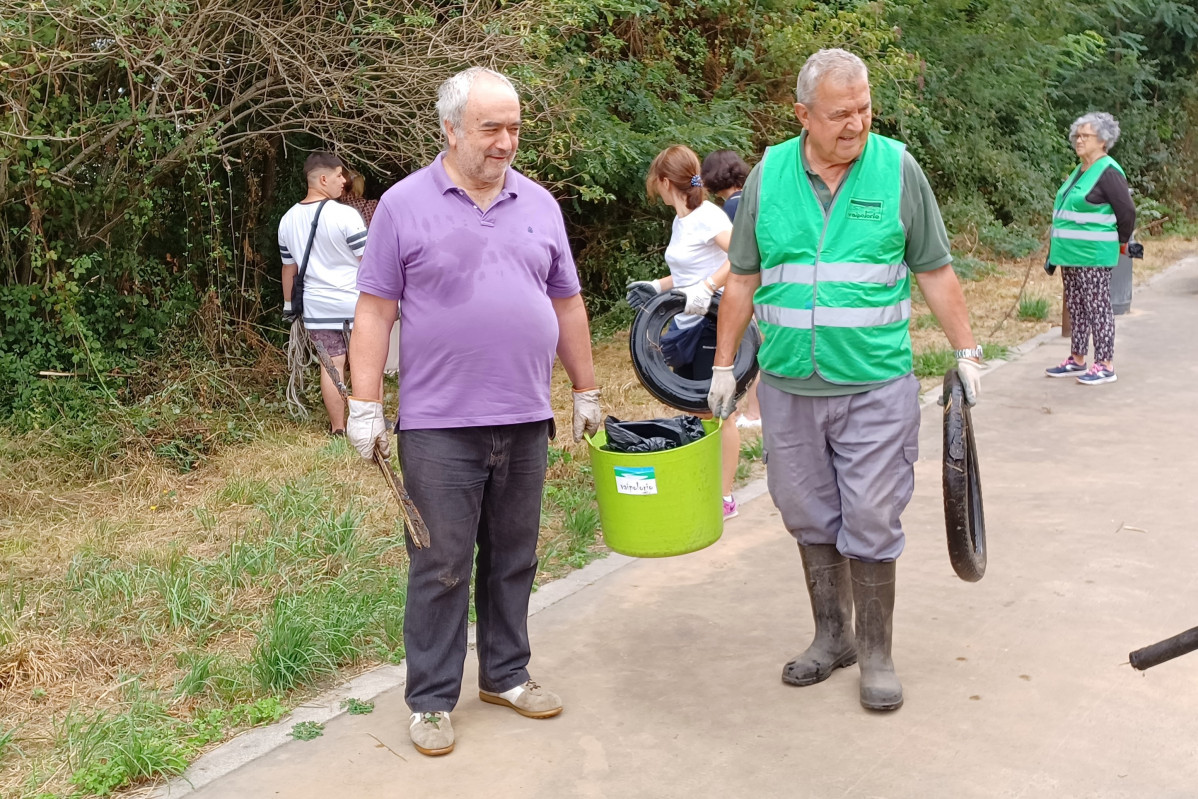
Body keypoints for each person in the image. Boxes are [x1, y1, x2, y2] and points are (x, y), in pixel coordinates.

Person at [707, 48, 984, 712]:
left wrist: (967, 350)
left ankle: (878, 651)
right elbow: (741, 278)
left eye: (864, 108)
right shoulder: (771, 173)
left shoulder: (897, 169)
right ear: (802, 114)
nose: (856, 123)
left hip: (874, 385)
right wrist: (723, 367)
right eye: (840, 113)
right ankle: (832, 636)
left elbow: (935, 269)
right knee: (807, 515)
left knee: (870, 516)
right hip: (790, 387)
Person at [346, 67, 602, 757]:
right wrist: (364, 402)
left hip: (524, 415)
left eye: (514, 127)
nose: (505, 141)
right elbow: (375, 308)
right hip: (438, 426)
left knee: (514, 555)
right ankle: (430, 698)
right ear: (450, 129)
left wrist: (585, 387)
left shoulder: (540, 204)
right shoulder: (403, 205)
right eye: (490, 127)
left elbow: (566, 301)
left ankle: (506, 674)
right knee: (441, 561)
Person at [627, 145, 742, 520]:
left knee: (718, 411)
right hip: (688, 321)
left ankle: (724, 497)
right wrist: (657, 287)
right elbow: (687, 272)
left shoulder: (710, 216)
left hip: (716, 320)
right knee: (697, 408)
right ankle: (705, 486)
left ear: (664, 181)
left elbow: (743, 256)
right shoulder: (682, 220)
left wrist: (709, 286)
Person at [279, 151, 369, 434]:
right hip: (356, 304)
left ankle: (338, 428)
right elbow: (368, 261)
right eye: (339, 175)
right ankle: (368, 424)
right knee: (366, 363)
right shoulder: (346, 215)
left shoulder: (287, 220)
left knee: (331, 367)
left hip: (317, 308)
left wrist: (287, 305)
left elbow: (288, 270)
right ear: (322, 178)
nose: (344, 181)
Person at [1044, 112, 1135, 386]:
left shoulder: (1108, 171)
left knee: (1098, 308)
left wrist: (1120, 241)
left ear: (1103, 141)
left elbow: (1127, 212)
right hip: (1070, 254)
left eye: (1085, 136)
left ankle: (1105, 364)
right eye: (1077, 135)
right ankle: (1077, 358)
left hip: (1093, 255)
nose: (1078, 140)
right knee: (1077, 307)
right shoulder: (1081, 169)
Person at [702, 149, 762, 429]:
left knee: (754, 349)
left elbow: (740, 256)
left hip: (750, 286)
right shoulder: (750, 196)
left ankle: (754, 413)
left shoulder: (732, 207)